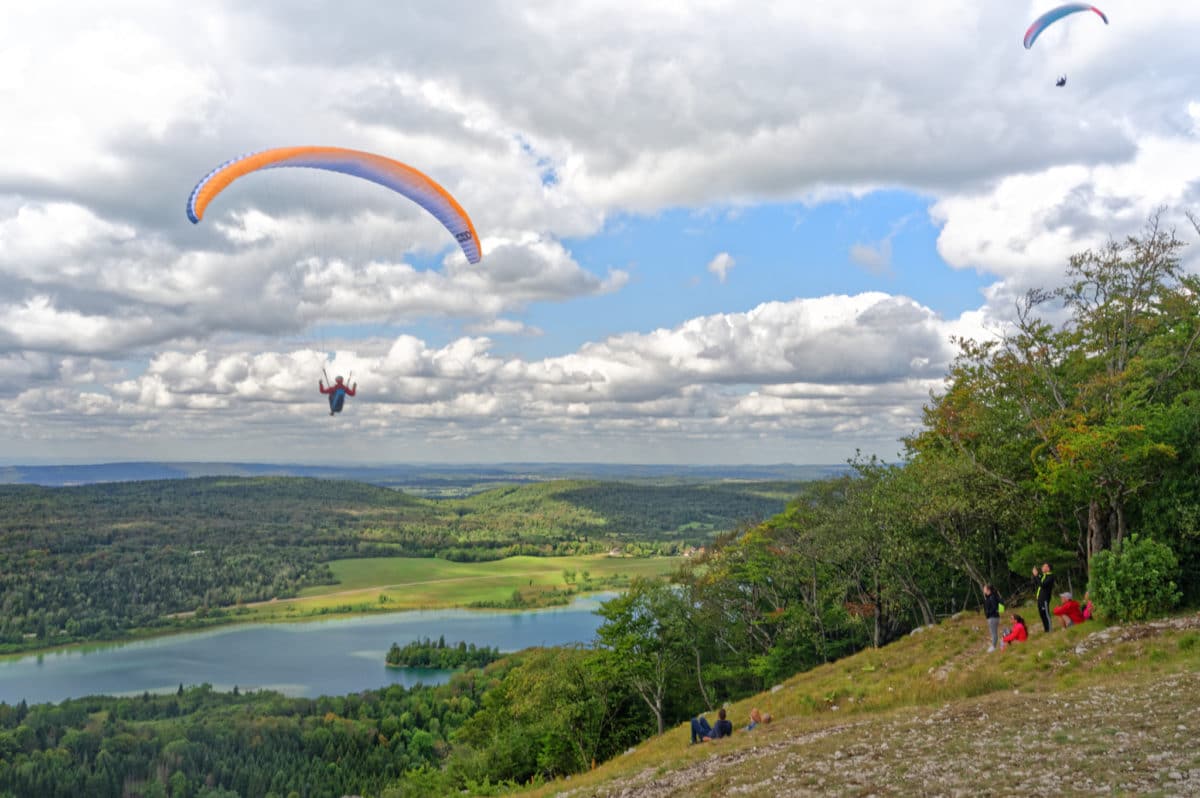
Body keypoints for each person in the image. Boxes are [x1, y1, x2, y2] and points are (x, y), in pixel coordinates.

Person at [1033, 563, 1055, 633]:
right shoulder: (1043, 576)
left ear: (1048, 568)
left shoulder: (1050, 576)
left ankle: (1050, 629)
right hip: (1040, 598)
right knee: (1042, 614)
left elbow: (1043, 585)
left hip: (1045, 598)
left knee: (1046, 614)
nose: (1042, 567)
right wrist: (1036, 575)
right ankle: (1046, 630)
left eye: (1044, 566)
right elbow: (1038, 582)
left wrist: (1036, 575)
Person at [982, 584, 1002, 652]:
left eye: (984, 589)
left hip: (993, 617)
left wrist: (988, 613)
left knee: (994, 633)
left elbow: (994, 607)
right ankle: (994, 645)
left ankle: (994, 646)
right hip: (992, 617)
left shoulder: (992, 597)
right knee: (993, 632)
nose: (983, 590)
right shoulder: (989, 597)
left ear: (988, 590)